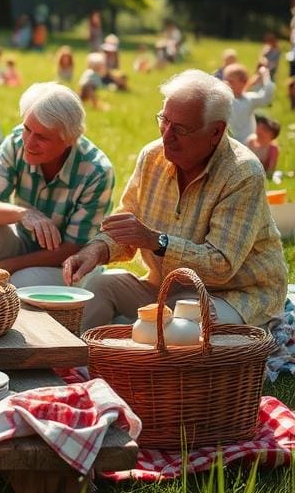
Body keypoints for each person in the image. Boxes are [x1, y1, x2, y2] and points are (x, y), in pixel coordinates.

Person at [64, 70, 288, 331]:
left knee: (180, 328)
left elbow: (220, 266)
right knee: (97, 287)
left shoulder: (243, 173)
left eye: (180, 129)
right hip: (164, 287)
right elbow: (126, 225)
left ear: (216, 132)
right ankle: (74, 365)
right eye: (164, 120)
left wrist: (156, 241)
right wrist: (96, 250)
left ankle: (130, 342)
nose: (166, 135)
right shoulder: (152, 156)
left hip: (231, 294)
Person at [0, 82, 114, 287]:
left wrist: (9, 265)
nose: (29, 142)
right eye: (27, 129)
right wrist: (24, 214)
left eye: (42, 137)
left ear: (70, 139)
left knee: (17, 282)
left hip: (68, 266)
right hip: (23, 243)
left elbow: (73, 248)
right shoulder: (16, 142)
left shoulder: (96, 171)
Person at [224, 61, 275, 142]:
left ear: (243, 82)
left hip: (248, 144)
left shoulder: (249, 99)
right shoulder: (224, 99)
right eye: (225, 80)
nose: (226, 83)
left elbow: (267, 97)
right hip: (229, 143)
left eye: (230, 81)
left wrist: (265, 75)